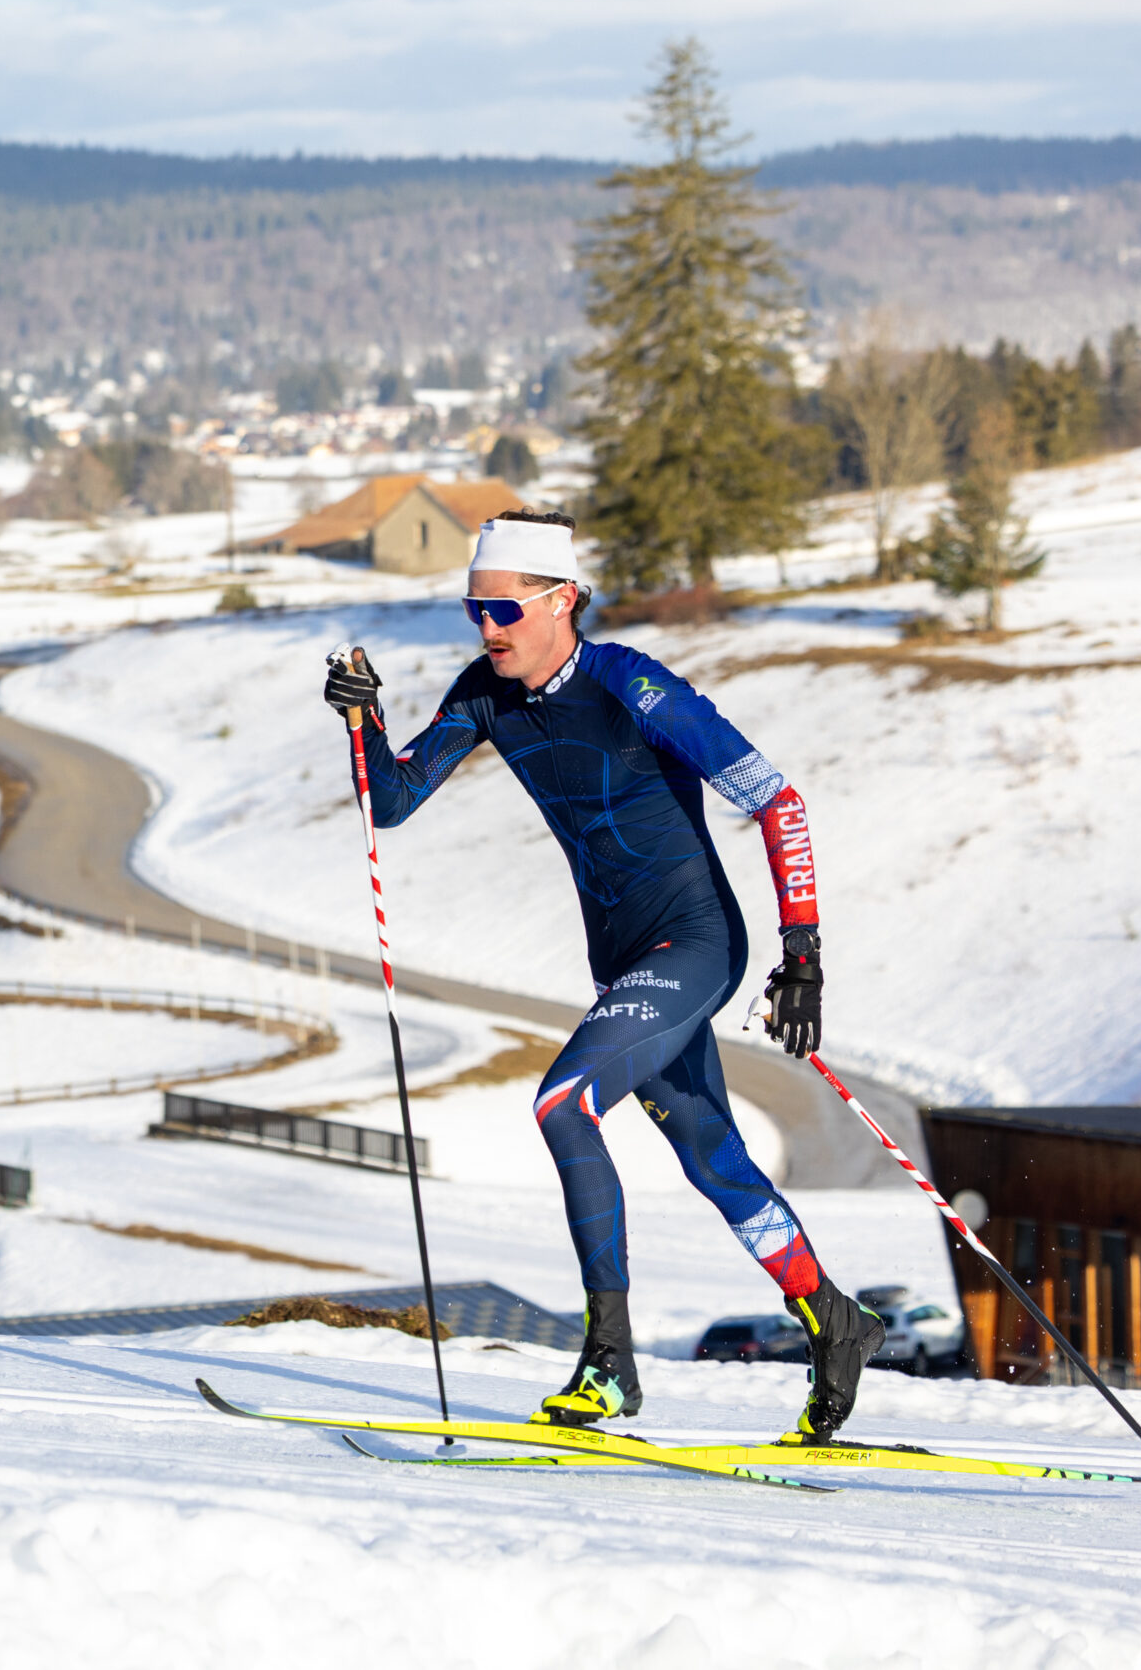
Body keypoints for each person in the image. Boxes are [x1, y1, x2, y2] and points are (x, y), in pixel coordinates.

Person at [322, 509, 882, 1441]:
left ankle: (609, 1363)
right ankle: (835, 1321)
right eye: (473, 609)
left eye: (504, 607)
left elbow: (778, 801)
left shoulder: (633, 684)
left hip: (694, 943)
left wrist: (804, 957)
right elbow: (392, 800)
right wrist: (362, 717)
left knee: (563, 1102)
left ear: (562, 600)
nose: (487, 627)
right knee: (714, 1159)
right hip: (621, 959)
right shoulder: (485, 693)